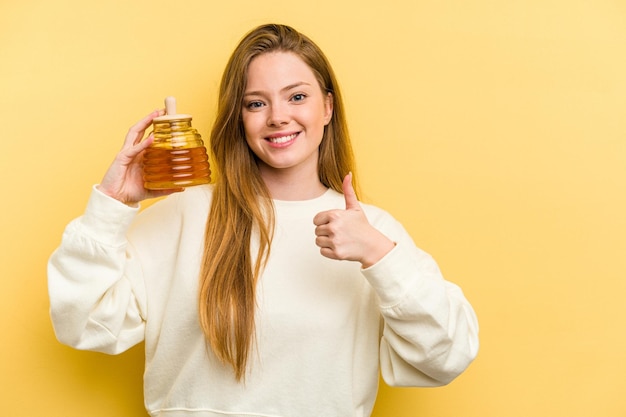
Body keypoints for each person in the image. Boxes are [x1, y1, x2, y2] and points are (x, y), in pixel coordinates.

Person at [48, 23, 479, 417]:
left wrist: (380, 257)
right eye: (256, 102)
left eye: (297, 96)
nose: (277, 116)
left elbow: (446, 356)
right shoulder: (181, 216)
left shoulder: (370, 231)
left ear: (327, 108)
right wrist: (112, 204)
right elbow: (83, 324)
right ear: (240, 117)